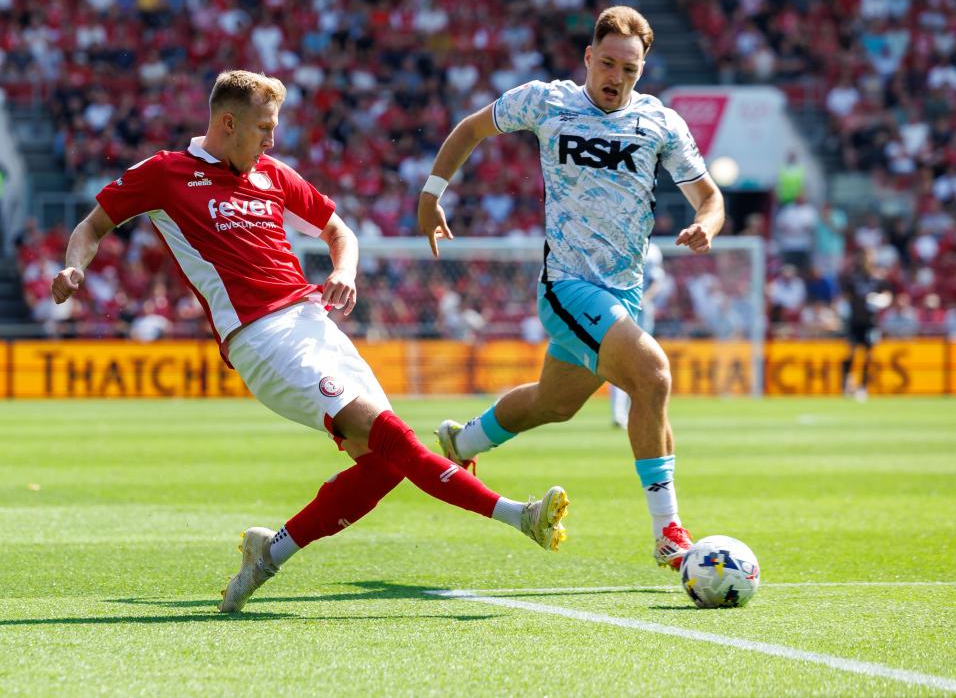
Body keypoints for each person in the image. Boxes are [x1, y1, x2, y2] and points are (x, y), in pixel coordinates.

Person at [50, 71, 568, 614]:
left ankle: (269, 552)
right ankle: (520, 515)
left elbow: (339, 230)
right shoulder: (165, 173)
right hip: (262, 338)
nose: (271, 140)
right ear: (228, 123)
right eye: (263, 128)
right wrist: (71, 269)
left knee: (386, 463)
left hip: (316, 324)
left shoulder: (272, 174)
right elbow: (91, 226)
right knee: (391, 436)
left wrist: (344, 271)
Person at [417, 6, 726, 570]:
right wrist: (432, 194)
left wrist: (706, 225)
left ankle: (462, 443)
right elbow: (471, 128)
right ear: (588, 57)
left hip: (623, 294)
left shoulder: (661, 123)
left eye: (629, 69)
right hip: (568, 285)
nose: (616, 77)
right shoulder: (548, 101)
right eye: (607, 63)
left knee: (553, 405)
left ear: (643, 68)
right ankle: (669, 533)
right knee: (653, 376)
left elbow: (710, 197)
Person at [610, 241, 665, 429]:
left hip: (642, 312)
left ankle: (636, 409)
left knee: (640, 361)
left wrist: (645, 299)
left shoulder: (652, 250)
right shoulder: (616, 243)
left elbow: (657, 281)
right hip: (619, 308)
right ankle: (619, 412)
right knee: (620, 361)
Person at [838, 247, 890, 401]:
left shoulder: (878, 279)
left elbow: (887, 295)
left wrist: (880, 300)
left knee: (869, 355)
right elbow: (846, 297)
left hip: (870, 323)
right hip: (855, 321)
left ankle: (863, 387)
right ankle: (847, 382)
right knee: (852, 352)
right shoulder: (853, 278)